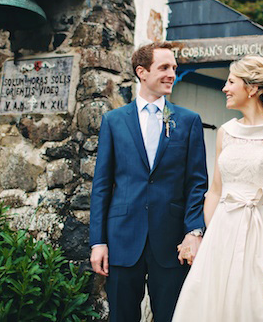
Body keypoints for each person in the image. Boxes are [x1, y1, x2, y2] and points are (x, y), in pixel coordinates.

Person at [172, 55, 263, 322]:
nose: (225, 88)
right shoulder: (226, 132)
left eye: (231, 81)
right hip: (223, 230)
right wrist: (208, 235)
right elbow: (215, 190)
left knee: (258, 301)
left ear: (252, 88)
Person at [89, 42, 208, 322]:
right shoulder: (114, 121)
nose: (171, 74)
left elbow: (197, 183)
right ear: (142, 72)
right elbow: (102, 185)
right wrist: (98, 242)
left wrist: (194, 230)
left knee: (171, 316)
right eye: (164, 67)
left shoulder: (188, 121)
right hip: (122, 239)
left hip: (171, 242)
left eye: (174, 69)